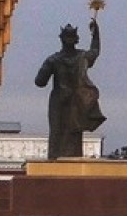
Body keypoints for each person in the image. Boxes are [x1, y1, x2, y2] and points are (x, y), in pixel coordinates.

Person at [34, 16, 106, 159]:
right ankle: (68, 164)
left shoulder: (53, 60)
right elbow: (95, 51)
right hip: (74, 102)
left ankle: (56, 164)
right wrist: (96, 34)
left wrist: (47, 69)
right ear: (76, 39)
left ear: (61, 39)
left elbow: (40, 82)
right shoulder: (81, 57)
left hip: (60, 102)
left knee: (58, 133)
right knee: (72, 135)